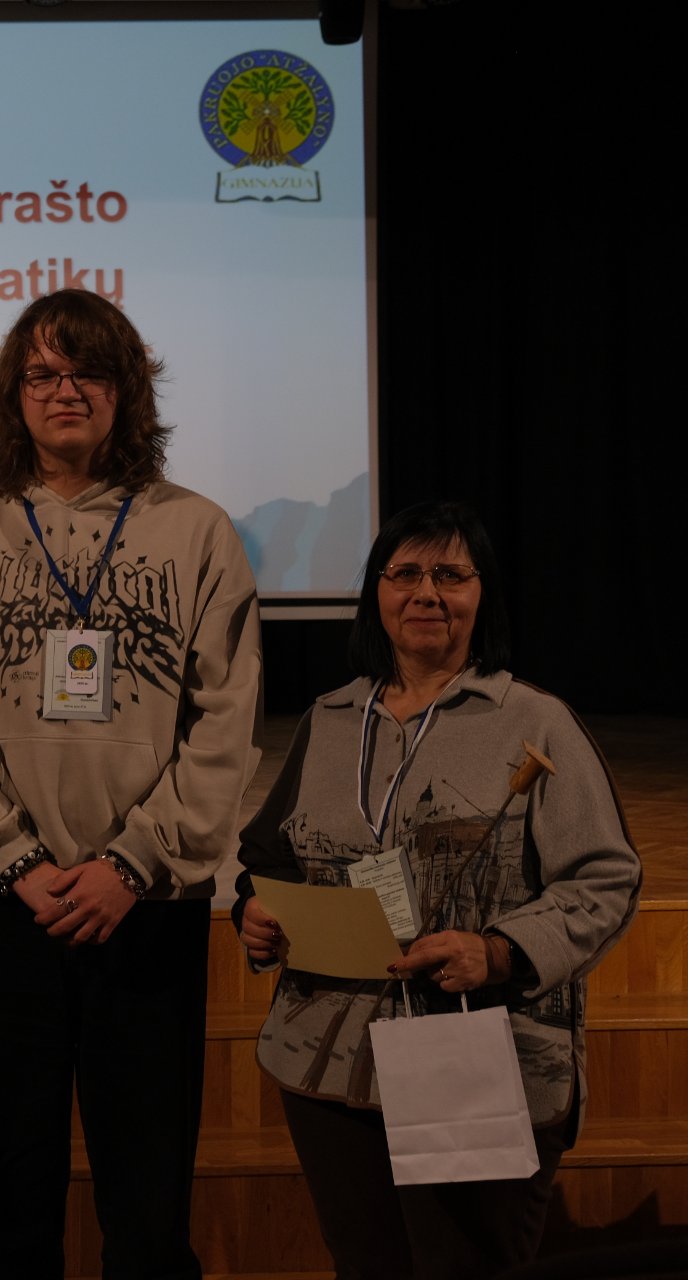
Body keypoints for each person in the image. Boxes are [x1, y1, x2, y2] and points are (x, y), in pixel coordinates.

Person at [0, 289, 263, 1278]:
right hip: (3, 906)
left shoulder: (198, 531)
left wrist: (133, 865)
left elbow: (225, 724)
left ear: (127, 390)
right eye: (44, 373)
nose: (66, 391)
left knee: (147, 1202)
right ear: (12, 394)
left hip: (148, 906)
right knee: (5, 1199)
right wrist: (15, 862)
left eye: (89, 372)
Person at [233, 500, 640, 1280]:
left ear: (483, 596)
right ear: (377, 594)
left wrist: (500, 951)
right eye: (406, 573)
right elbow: (267, 859)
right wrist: (255, 914)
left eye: (451, 575)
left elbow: (607, 879)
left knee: (465, 1268)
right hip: (329, 1064)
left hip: (477, 1050)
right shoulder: (330, 719)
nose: (427, 592)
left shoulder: (534, 721)